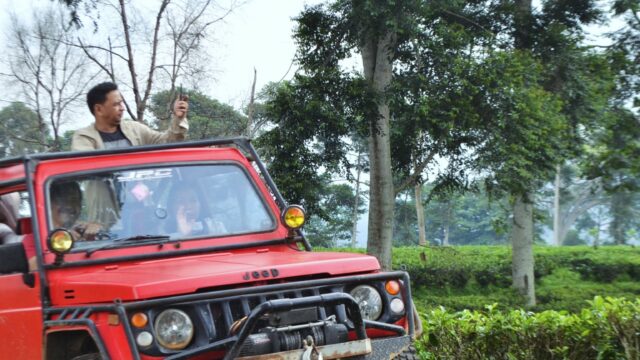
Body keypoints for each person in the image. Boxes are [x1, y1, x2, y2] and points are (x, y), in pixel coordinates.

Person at [71, 82, 189, 150]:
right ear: (99, 109)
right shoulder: (84, 138)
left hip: (136, 193)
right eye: (116, 104)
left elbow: (168, 142)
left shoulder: (135, 130)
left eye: (121, 102)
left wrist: (178, 118)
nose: (122, 108)